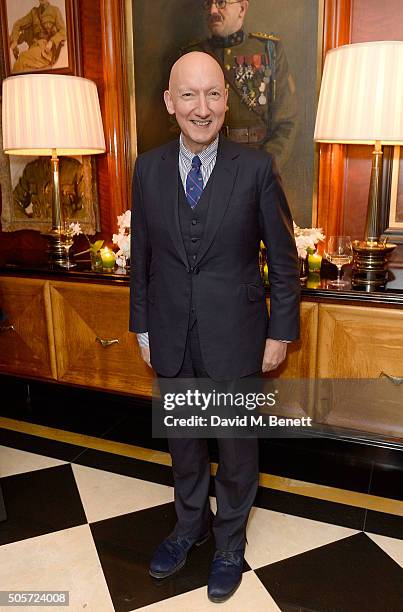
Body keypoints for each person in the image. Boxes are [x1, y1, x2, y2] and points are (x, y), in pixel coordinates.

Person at [129, 51, 300, 603]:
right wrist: (142, 326)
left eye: (212, 95)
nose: (201, 108)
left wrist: (280, 331)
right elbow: (143, 258)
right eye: (189, 95)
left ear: (226, 99)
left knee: (235, 448)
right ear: (170, 103)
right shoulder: (148, 167)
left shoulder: (254, 169)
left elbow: (284, 259)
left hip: (236, 337)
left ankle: (229, 542)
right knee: (183, 447)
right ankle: (188, 528)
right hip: (170, 334)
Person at [182, 0, 297, 170]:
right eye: (208, 3)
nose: (213, 10)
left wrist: (265, 169)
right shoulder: (191, 55)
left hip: (258, 162)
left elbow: (286, 121)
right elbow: (179, 122)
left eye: (221, 2)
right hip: (207, 166)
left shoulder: (268, 50)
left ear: (242, 8)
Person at [9, 0, 66, 74]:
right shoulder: (34, 12)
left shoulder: (55, 10)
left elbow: (63, 31)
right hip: (34, 47)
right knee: (22, 65)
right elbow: (17, 24)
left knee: (22, 59)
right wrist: (15, 41)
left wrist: (52, 41)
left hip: (46, 50)